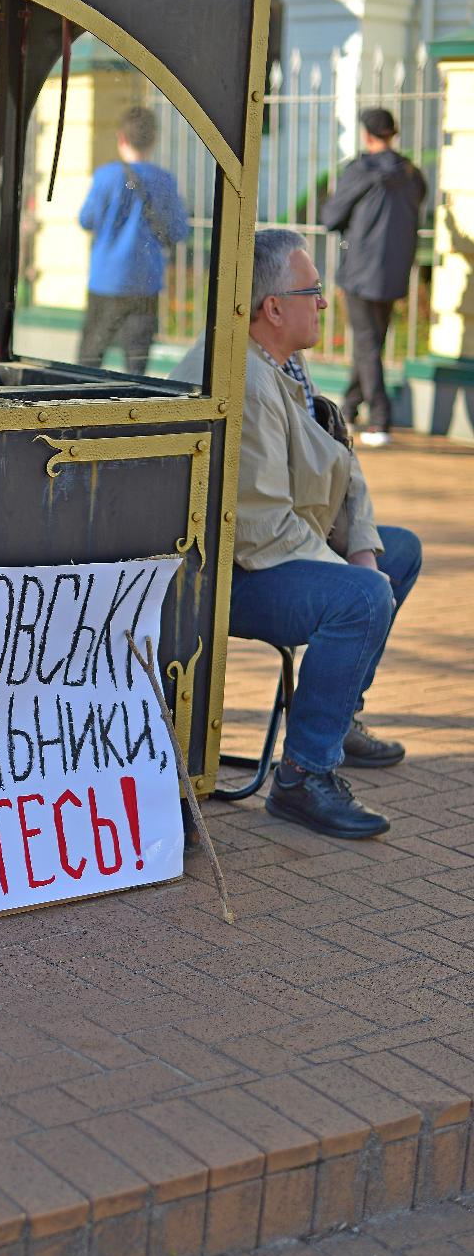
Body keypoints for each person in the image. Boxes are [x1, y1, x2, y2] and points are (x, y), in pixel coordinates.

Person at [176, 229, 421, 839]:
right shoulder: (249, 379)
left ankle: (332, 720)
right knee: (363, 598)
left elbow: (342, 461)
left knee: (398, 553)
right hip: (230, 572)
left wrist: (361, 549)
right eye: (311, 291)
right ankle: (303, 776)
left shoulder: (284, 359)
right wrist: (353, 578)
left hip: (275, 545)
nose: (323, 301)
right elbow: (258, 530)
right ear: (272, 308)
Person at [321, 108, 426, 449]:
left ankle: (380, 419)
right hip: (395, 272)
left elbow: (331, 216)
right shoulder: (412, 173)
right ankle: (349, 408)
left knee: (367, 344)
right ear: (392, 134)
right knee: (372, 343)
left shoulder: (360, 169)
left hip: (361, 271)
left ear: (367, 135)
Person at [77, 106, 188, 377]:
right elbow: (178, 231)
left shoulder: (106, 176)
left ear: (121, 138)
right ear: (153, 140)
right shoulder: (165, 181)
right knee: (136, 367)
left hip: (106, 282)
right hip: (145, 284)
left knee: (88, 361)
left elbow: (85, 219)